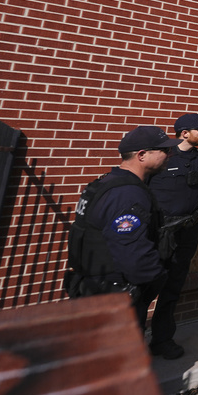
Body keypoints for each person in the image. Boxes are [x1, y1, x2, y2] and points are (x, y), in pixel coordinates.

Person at [65, 126, 177, 329]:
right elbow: (133, 255)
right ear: (142, 155)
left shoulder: (106, 183)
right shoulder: (127, 194)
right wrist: (157, 277)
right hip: (113, 294)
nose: (170, 155)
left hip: (95, 287)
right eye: (164, 150)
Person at [146, 113, 198, 360]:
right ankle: (130, 342)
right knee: (144, 288)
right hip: (158, 233)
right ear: (184, 133)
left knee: (172, 287)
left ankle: (162, 339)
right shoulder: (162, 156)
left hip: (186, 233)